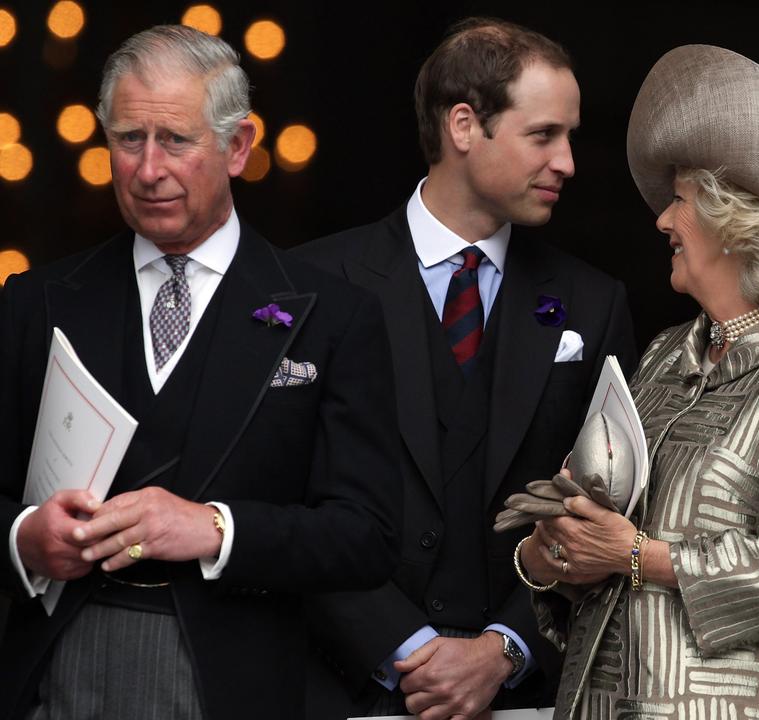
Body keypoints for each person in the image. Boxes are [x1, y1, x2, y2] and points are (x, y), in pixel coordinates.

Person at [0, 25, 400, 720]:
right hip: (57, 668)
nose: (148, 169)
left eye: (176, 141)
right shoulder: (38, 302)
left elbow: (367, 537)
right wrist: (23, 536)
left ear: (238, 147)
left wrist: (219, 529)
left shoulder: (333, 316)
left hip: (234, 677)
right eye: (129, 139)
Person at [513, 44, 759, 719]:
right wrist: (557, 551)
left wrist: (640, 558)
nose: (661, 220)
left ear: (736, 221)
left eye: (681, 201)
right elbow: (607, 542)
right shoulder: (664, 354)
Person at [295, 18, 637, 720]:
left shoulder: (591, 302)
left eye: (569, 136)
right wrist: (405, 650)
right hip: (344, 689)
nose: (569, 161)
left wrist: (504, 651)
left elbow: (613, 503)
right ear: (462, 125)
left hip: (526, 697)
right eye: (544, 135)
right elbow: (286, 494)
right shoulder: (314, 284)